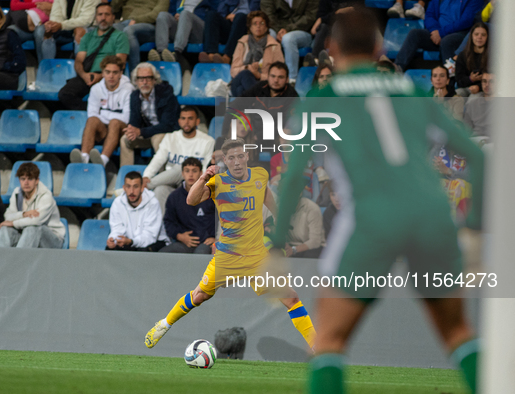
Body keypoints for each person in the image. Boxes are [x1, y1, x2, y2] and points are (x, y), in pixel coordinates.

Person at [273, 8, 483, 393]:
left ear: (331, 49)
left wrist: (273, 248)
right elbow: (480, 158)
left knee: (329, 342)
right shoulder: (411, 90)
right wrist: (474, 231)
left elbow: (292, 177)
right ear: (378, 47)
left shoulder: (325, 96)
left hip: (372, 219)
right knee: (458, 333)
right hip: (433, 217)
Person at [145, 138, 317, 352]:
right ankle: (164, 325)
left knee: (291, 297)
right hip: (228, 256)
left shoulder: (260, 176)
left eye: (240, 156)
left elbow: (265, 195)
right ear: (225, 160)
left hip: (257, 256)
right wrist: (203, 177)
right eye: (231, 158)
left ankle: (318, 346)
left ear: (247, 156)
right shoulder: (217, 181)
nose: (236, 161)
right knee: (199, 296)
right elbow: (191, 200)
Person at [141, 106, 215, 213]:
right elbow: (158, 159)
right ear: (179, 121)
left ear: (197, 121)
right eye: (183, 119)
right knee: (160, 190)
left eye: (190, 118)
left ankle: (142, 186)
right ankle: (162, 228)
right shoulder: (170, 137)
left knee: (183, 168)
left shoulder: (208, 141)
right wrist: (146, 176)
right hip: (172, 182)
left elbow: (205, 169)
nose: (186, 122)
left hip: (194, 184)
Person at [58, 2, 129, 111]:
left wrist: (101, 76)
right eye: (100, 15)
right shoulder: (87, 37)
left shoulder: (120, 36)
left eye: (107, 14)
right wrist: (84, 75)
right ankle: (92, 113)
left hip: (108, 77)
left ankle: (97, 115)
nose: (103, 18)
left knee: (108, 99)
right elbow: (79, 61)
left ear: (113, 17)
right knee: (64, 94)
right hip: (87, 75)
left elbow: (120, 63)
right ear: (95, 17)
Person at [70, 56, 133, 166]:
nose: (111, 76)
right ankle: (84, 157)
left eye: (115, 72)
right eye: (107, 72)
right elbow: (92, 114)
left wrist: (104, 114)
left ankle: (102, 160)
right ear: (103, 73)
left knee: (114, 122)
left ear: (120, 73)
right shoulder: (96, 89)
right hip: (104, 131)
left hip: (122, 132)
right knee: (92, 120)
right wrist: (110, 116)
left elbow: (127, 118)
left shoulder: (128, 90)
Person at [395, 0, 484, 71]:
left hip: (461, 35)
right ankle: (397, 68)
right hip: (438, 34)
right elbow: (429, 15)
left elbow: (466, 21)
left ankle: (450, 80)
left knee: (447, 41)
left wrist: (441, 33)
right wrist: (435, 30)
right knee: (415, 34)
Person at [120, 63, 180, 167]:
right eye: (141, 79)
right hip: (148, 134)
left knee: (158, 140)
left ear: (154, 80)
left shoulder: (166, 95)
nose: (145, 82)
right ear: (136, 81)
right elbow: (134, 122)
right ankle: (127, 176)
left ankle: (163, 176)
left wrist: (140, 131)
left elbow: (167, 125)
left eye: (148, 78)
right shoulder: (135, 96)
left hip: (166, 133)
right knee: (125, 139)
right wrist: (131, 130)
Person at [0, 162, 65, 249]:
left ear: (37, 180)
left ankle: (20, 261)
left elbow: (36, 221)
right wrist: (23, 214)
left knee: (33, 228)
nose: (26, 183)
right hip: (26, 236)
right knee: (5, 228)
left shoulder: (46, 195)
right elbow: (8, 216)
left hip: (52, 240)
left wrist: (13, 223)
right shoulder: (17, 193)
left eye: (30, 179)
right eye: (23, 179)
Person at [159, 157, 216, 254]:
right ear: (182, 173)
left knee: (200, 253)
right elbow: (169, 222)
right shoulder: (174, 197)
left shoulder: (209, 193)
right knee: (162, 254)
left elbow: (221, 218)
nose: (190, 174)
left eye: (194, 171)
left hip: (206, 242)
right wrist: (179, 236)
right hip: (184, 243)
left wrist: (215, 237)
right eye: (187, 171)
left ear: (201, 173)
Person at [107, 171, 169, 252]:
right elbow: (117, 229)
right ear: (124, 188)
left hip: (153, 243)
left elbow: (149, 236)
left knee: (143, 251)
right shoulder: (117, 203)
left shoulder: (153, 203)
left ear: (142, 188)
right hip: (130, 242)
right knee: (110, 248)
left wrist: (131, 241)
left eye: (135, 187)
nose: (131, 191)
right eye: (128, 186)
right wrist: (114, 240)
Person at [260, 0, 319, 83]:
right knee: (269, 35)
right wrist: (280, 31)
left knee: (288, 39)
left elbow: (310, 17)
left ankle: (291, 80)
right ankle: (266, 76)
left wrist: (287, 29)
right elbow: (268, 16)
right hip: (277, 29)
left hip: (303, 31)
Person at [230, 10, 284, 97]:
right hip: (240, 80)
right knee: (246, 73)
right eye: (255, 23)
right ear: (250, 27)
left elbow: (280, 74)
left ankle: (250, 106)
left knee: (241, 90)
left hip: (263, 84)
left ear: (266, 27)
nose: (258, 26)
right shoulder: (242, 42)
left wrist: (259, 75)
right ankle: (259, 101)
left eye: (262, 23)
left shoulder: (274, 46)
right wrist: (248, 68)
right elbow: (233, 71)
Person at [149, 0, 218, 64]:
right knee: (162, 15)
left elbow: (215, 14)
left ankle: (177, 53)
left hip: (200, 29)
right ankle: (161, 53)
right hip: (181, 26)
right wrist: (175, 16)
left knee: (185, 14)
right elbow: (171, 10)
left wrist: (190, 16)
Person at [33, 0, 101, 63]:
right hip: (65, 26)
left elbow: (85, 21)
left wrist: (62, 25)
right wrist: (52, 25)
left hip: (88, 28)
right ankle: (46, 68)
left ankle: (79, 69)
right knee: (43, 30)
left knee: (79, 31)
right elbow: (56, 15)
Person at [112, 0, 171, 72]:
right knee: (108, 30)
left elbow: (157, 14)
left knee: (129, 30)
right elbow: (114, 8)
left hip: (148, 25)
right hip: (125, 23)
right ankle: (108, 72)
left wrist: (136, 20)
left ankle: (135, 73)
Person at [198, 0, 259, 64]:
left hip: (245, 27)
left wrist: (236, 17)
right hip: (230, 25)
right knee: (211, 14)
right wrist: (227, 16)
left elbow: (256, 15)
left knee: (240, 17)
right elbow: (221, 11)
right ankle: (211, 54)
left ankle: (227, 57)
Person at [455, 22, 489, 97]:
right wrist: (471, 79)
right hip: (466, 88)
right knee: (456, 96)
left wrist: (479, 87)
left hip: (486, 90)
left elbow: (496, 80)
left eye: (483, 35)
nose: (479, 37)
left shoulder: (493, 57)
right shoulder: (462, 55)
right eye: (476, 34)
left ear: (487, 37)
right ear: (471, 36)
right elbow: (459, 81)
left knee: (474, 98)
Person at [464, 70, 493, 139]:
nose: (487, 84)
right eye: (484, 81)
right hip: (476, 141)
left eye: (491, 82)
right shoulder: (472, 103)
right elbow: (466, 129)